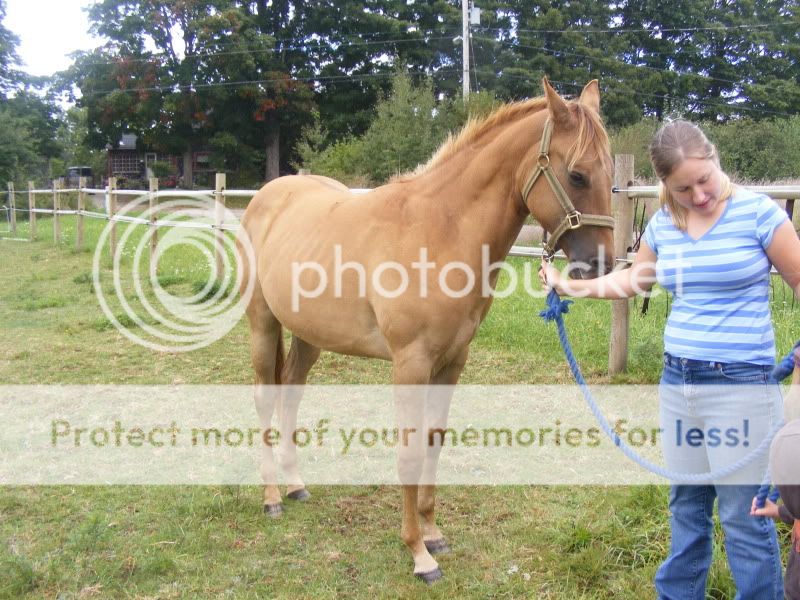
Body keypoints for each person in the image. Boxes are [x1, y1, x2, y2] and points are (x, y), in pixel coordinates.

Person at [540, 119, 800, 599]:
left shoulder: (760, 215)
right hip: (678, 380)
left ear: (715, 158)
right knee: (686, 507)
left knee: (743, 515)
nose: (699, 196)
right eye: (683, 189)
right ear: (665, 186)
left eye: (705, 180)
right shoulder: (664, 223)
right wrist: (569, 284)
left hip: (742, 384)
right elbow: (635, 280)